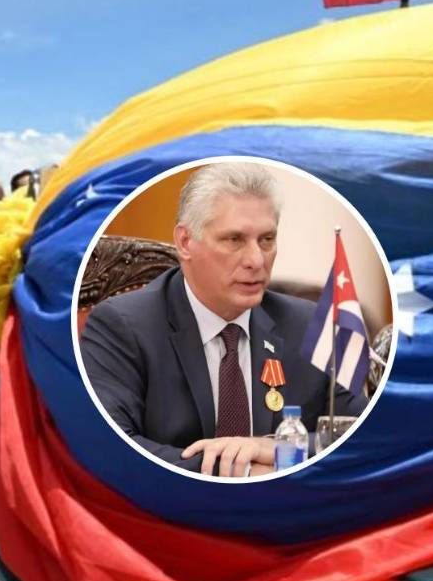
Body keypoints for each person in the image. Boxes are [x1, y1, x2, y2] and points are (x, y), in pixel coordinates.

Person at [80, 162, 367, 478]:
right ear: (185, 242)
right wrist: (242, 469)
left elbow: (361, 435)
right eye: (234, 240)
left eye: (267, 239)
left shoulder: (310, 325)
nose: (256, 260)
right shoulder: (123, 325)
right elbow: (112, 447)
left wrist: (278, 449)